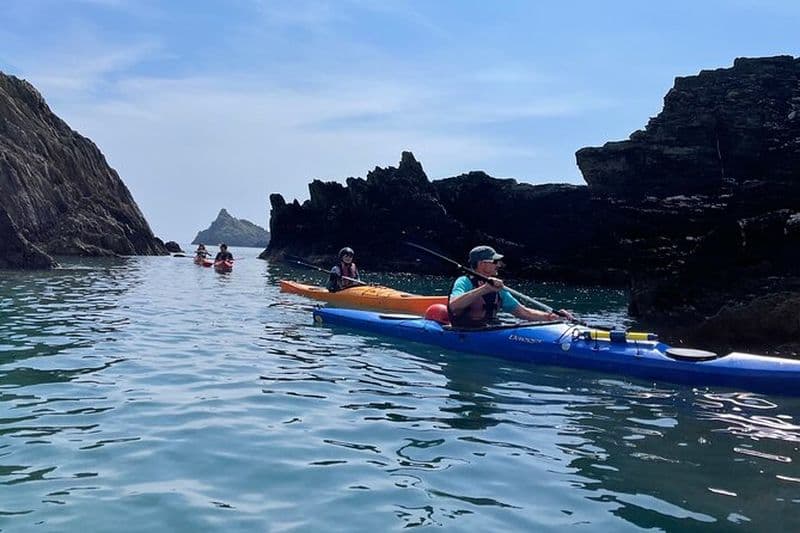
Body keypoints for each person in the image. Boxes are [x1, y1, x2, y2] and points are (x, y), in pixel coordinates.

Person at [448, 245, 575, 327]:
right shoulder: (464, 281)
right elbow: (453, 306)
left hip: (489, 329)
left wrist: (551, 317)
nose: (498, 265)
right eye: (495, 262)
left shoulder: (497, 287)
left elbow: (522, 311)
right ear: (481, 264)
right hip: (465, 331)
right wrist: (484, 289)